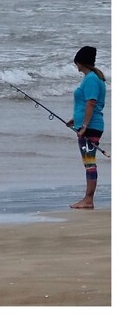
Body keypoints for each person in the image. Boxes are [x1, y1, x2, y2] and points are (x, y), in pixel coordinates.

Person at [66, 46, 107, 210]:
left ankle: (88, 200)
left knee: (90, 162)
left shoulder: (90, 79)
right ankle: (88, 198)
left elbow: (91, 103)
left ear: (80, 62)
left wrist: (83, 126)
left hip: (90, 127)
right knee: (89, 162)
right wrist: (75, 119)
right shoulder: (95, 78)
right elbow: (87, 104)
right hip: (90, 125)